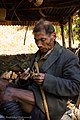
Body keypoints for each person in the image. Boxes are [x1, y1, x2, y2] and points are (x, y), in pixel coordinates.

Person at [0, 18, 80, 120]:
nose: (39, 44)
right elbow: (31, 83)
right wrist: (24, 80)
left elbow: (76, 87)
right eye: (36, 40)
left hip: (51, 101)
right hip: (34, 93)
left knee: (8, 94)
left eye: (42, 40)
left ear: (53, 36)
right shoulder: (37, 55)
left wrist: (47, 80)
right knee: (1, 84)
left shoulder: (68, 57)